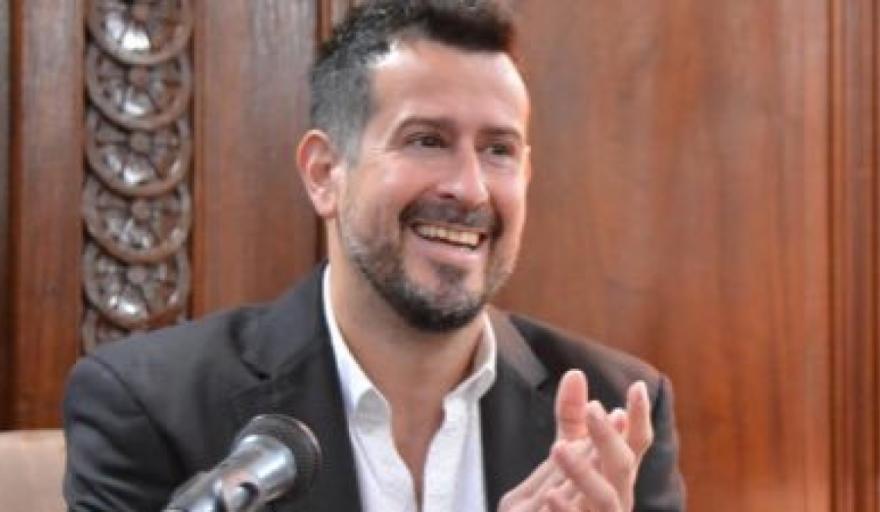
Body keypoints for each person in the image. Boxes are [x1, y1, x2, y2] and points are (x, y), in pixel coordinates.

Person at [63, 1, 685, 511]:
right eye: (427, 140)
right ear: (324, 173)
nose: (470, 189)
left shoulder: (617, 412)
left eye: (498, 150)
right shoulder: (151, 407)